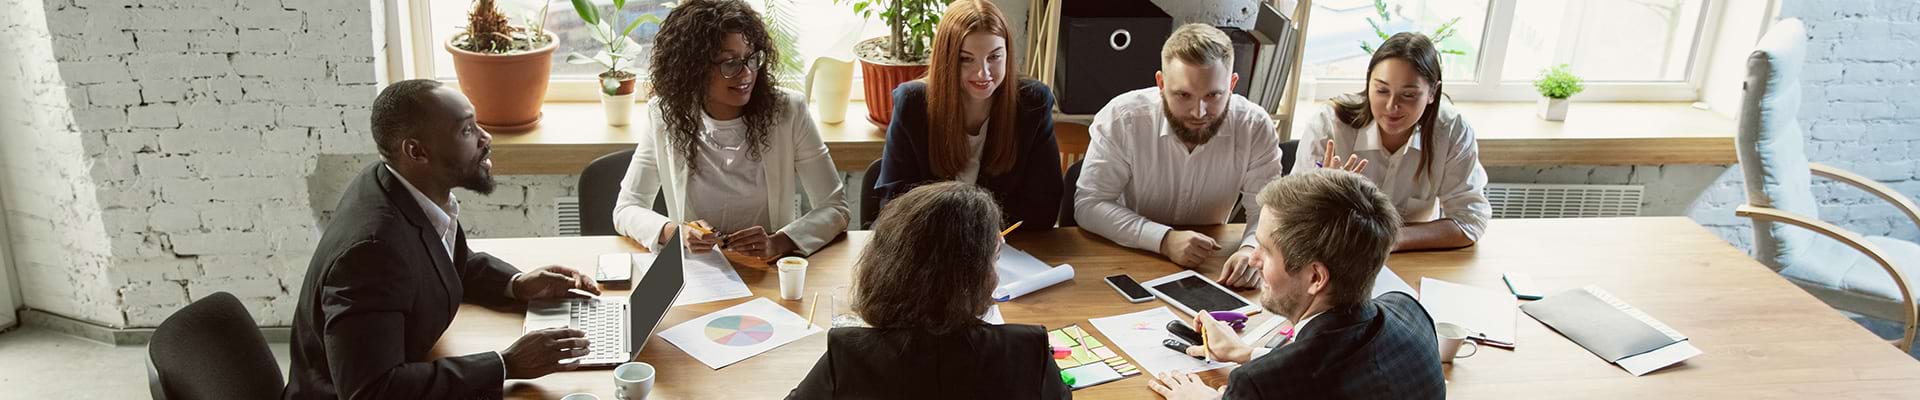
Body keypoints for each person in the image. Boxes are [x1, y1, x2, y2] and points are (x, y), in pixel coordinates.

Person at [284, 79, 603, 399]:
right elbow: (372, 390)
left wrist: (516, 285)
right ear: (416, 151)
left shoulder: (398, 186)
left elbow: (436, 258)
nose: (485, 138)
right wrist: (505, 364)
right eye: (466, 130)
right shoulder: (371, 253)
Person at [1150, 169, 1444, 400]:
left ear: (1315, 278)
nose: (1253, 259)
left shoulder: (1256, 385)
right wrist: (1246, 354)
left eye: (1265, 250)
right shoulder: (1410, 311)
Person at [787, 182, 1071, 400]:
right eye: (994, 259)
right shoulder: (1027, 350)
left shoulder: (848, 354)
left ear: (884, 266)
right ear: (975, 276)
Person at [614, 0, 848, 261]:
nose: (746, 73)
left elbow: (835, 208)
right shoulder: (664, 115)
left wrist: (778, 243)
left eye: (751, 58)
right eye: (730, 63)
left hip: (767, 268)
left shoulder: (789, 111)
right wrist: (677, 233)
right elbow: (627, 209)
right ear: (694, 69)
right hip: (700, 271)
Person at [1075, 24, 1283, 288]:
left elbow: (1267, 210)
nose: (1199, 112)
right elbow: (1089, 204)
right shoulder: (1122, 119)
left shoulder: (1255, 126)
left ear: (1232, 85)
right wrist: (1163, 239)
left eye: (1213, 95)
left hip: (1211, 264)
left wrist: (1251, 249)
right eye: (1183, 95)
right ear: (1161, 84)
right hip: (1126, 257)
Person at [1293, 32, 1490, 252]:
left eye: (1408, 95)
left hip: (1412, 257)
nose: (1391, 106)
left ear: (1432, 92)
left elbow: (1470, 220)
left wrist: (1392, 239)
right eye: (1382, 91)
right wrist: (1323, 200)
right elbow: (1290, 217)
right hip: (1337, 254)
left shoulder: (1451, 130)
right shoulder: (1329, 124)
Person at [874, 0, 1061, 232]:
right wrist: (972, 231)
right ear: (947, 59)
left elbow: (1044, 207)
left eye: (994, 57)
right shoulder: (913, 103)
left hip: (1005, 246)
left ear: (1008, 54)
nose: (983, 73)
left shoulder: (1033, 103)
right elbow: (894, 205)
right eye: (966, 59)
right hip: (929, 244)